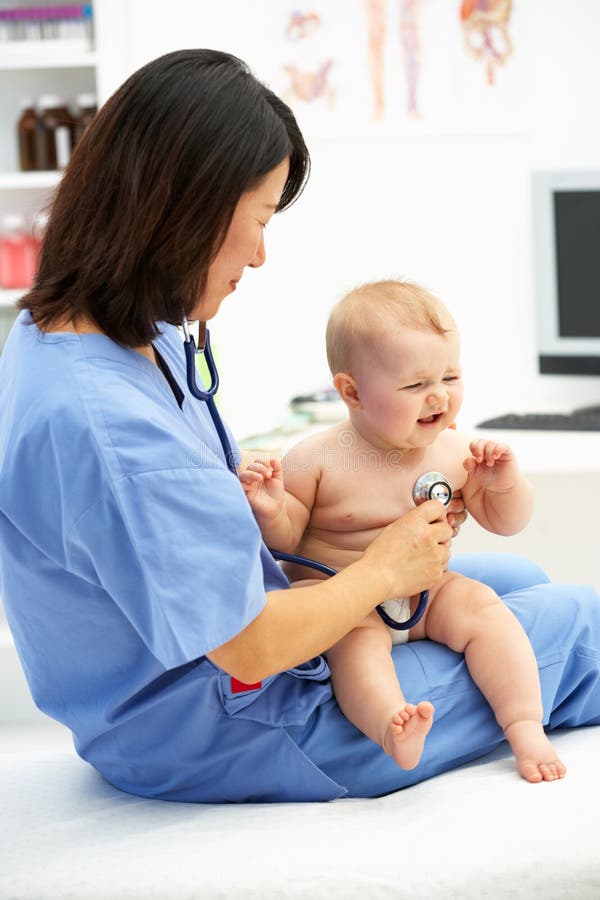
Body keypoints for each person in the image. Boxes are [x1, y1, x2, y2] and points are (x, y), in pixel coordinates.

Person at [0, 49, 598, 804]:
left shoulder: (87, 332)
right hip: (233, 721)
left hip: (157, 694)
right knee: (582, 620)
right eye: (257, 221)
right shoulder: (109, 425)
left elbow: (161, 509)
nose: (259, 255)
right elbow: (249, 642)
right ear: (180, 210)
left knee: (521, 581)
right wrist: (382, 569)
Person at [240, 280, 565, 784]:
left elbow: (508, 523)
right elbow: (284, 542)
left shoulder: (454, 451)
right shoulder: (317, 457)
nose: (438, 395)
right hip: (345, 602)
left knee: (484, 609)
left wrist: (502, 485)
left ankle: (524, 724)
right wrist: (269, 509)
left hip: (425, 593)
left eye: (450, 376)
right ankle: (392, 726)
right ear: (352, 392)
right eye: (414, 386)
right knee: (356, 652)